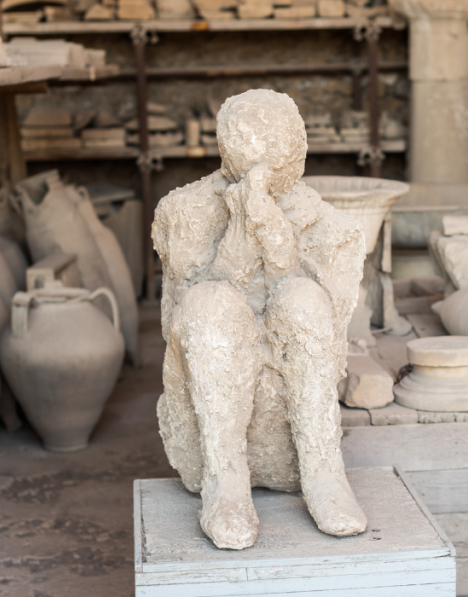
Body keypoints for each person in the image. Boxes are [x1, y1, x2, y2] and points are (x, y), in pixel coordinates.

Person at [151, 89, 368, 550]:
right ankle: (225, 482)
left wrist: (273, 232)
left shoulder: (332, 227)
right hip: (220, 348)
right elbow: (181, 314)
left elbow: (333, 326)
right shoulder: (183, 212)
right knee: (211, 303)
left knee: (304, 299)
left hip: (288, 353)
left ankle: (323, 474)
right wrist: (239, 230)